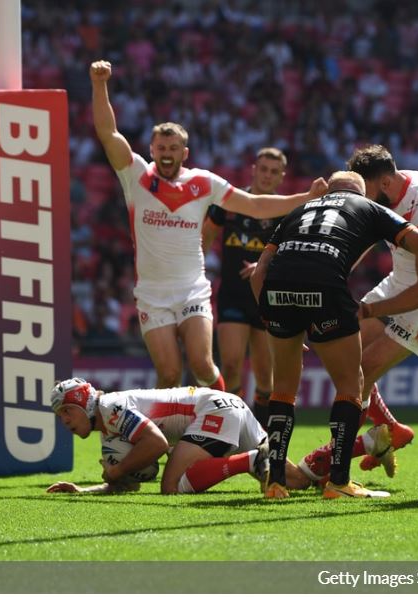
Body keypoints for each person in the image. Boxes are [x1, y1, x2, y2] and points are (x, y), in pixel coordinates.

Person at [251, 171, 418, 499]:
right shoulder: (369, 208)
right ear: (361, 192)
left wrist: (272, 318)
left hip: (277, 293)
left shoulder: (299, 211)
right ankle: (338, 483)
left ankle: (275, 483)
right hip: (326, 289)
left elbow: (259, 272)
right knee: (351, 385)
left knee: (283, 391)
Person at [89, 59, 326, 390]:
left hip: (192, 290)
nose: (167, 153)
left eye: (174, 148)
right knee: (169, 374)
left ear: (184, 152)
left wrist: (305, 197)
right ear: (152, 150)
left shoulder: (203, 183)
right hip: (152, 294)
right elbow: (108, 133)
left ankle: (225, 421)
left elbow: (255, 205)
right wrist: (99, 84)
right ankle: (168, 425)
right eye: (161, 148)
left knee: (202, 365)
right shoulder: (136, 176)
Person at [297, 144, 418, 483]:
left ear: (386, 183)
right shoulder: (389, 190)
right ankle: (390, 430)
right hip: (398, 282)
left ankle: (334, 460)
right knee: (341, 353)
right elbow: (360, 241)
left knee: (364, 368)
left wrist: (370, 309)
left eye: (368, 194)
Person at [45, 377, 314, 495]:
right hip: (226, 405)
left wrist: (119, 469)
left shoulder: (110, 408)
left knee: (171, 486)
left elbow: (156, 443)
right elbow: (125, 485)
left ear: (85, 403)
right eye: (59, 415)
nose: (64, 420)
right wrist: (84, 490)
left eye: (67, 410)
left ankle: (251, 460)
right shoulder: (108, 428)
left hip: (212, 410)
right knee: (296, 481)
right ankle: (324, 467)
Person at [201, 147, 287, 426]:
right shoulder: (230, 202)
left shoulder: (285, 211)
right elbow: (205, 237)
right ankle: (233, 429)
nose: (267, 175)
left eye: (274, 171)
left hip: (266, 299)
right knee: (231, 366)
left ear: (281, 177)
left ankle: (261, 434)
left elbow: (292, 255)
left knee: (264, 375)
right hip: (232, 296)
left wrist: (264, 267)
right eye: (263, 169)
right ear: (253, 170)